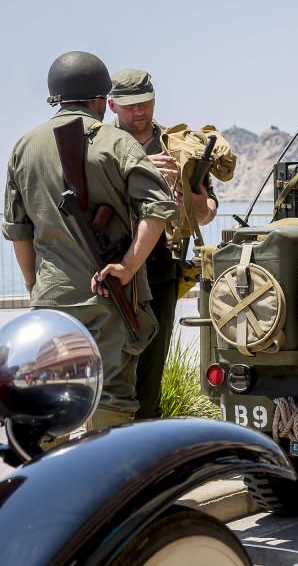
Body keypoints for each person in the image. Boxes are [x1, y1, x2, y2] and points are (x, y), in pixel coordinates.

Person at [3, 52, 176, 428]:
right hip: (110, 297)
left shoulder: (23, 147)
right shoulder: (118, 143)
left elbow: (18, 231)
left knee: (52, 394)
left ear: (55, 98)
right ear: (101, 100)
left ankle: (50, 482)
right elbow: (159, 209)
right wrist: (128, 267)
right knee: (111, 398)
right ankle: (107, 485)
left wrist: (36, 285)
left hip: (53, 299)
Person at [108, 68, 217, 419]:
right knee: (112, 371)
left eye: (145, 103)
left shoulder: (178, 145)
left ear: (154, 100)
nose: (139, 112)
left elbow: (207, 212)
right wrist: (139, 170)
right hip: (113, 269)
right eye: (129, 106)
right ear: (112, 105)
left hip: (161, 271)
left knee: (150, 373)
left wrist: (185, 193)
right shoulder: (101, 145)